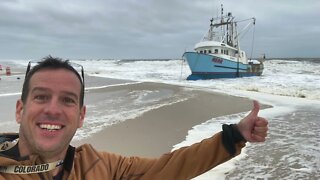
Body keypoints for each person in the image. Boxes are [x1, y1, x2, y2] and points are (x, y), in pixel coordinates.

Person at [0, 56, 268, 180]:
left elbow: (167, 169)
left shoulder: (100, 166)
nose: (54, 110)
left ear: (81, 115)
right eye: (41, 97)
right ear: (20, 110)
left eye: (68, 100)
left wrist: (234, 135)